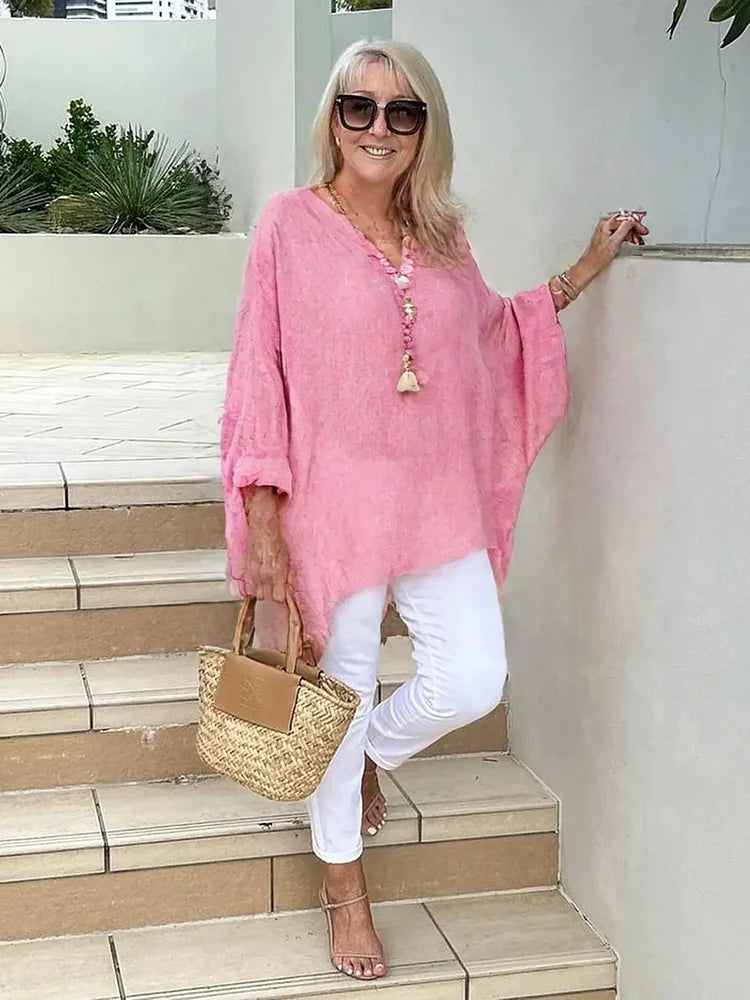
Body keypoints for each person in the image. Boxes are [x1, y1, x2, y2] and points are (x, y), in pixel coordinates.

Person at [221, 39, 647, 983]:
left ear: (426, 128)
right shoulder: (289, 224)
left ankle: (363, 754)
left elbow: (492, 332)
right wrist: (265, 528)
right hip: (331, 509)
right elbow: (259, 375)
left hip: (434, 503)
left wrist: (584, 269)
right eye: (359, 107)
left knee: (472, 680)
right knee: (343, 681)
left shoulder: (443, 237)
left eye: (402, 111)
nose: (379, 127)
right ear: (333, 117)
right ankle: (344, 887)